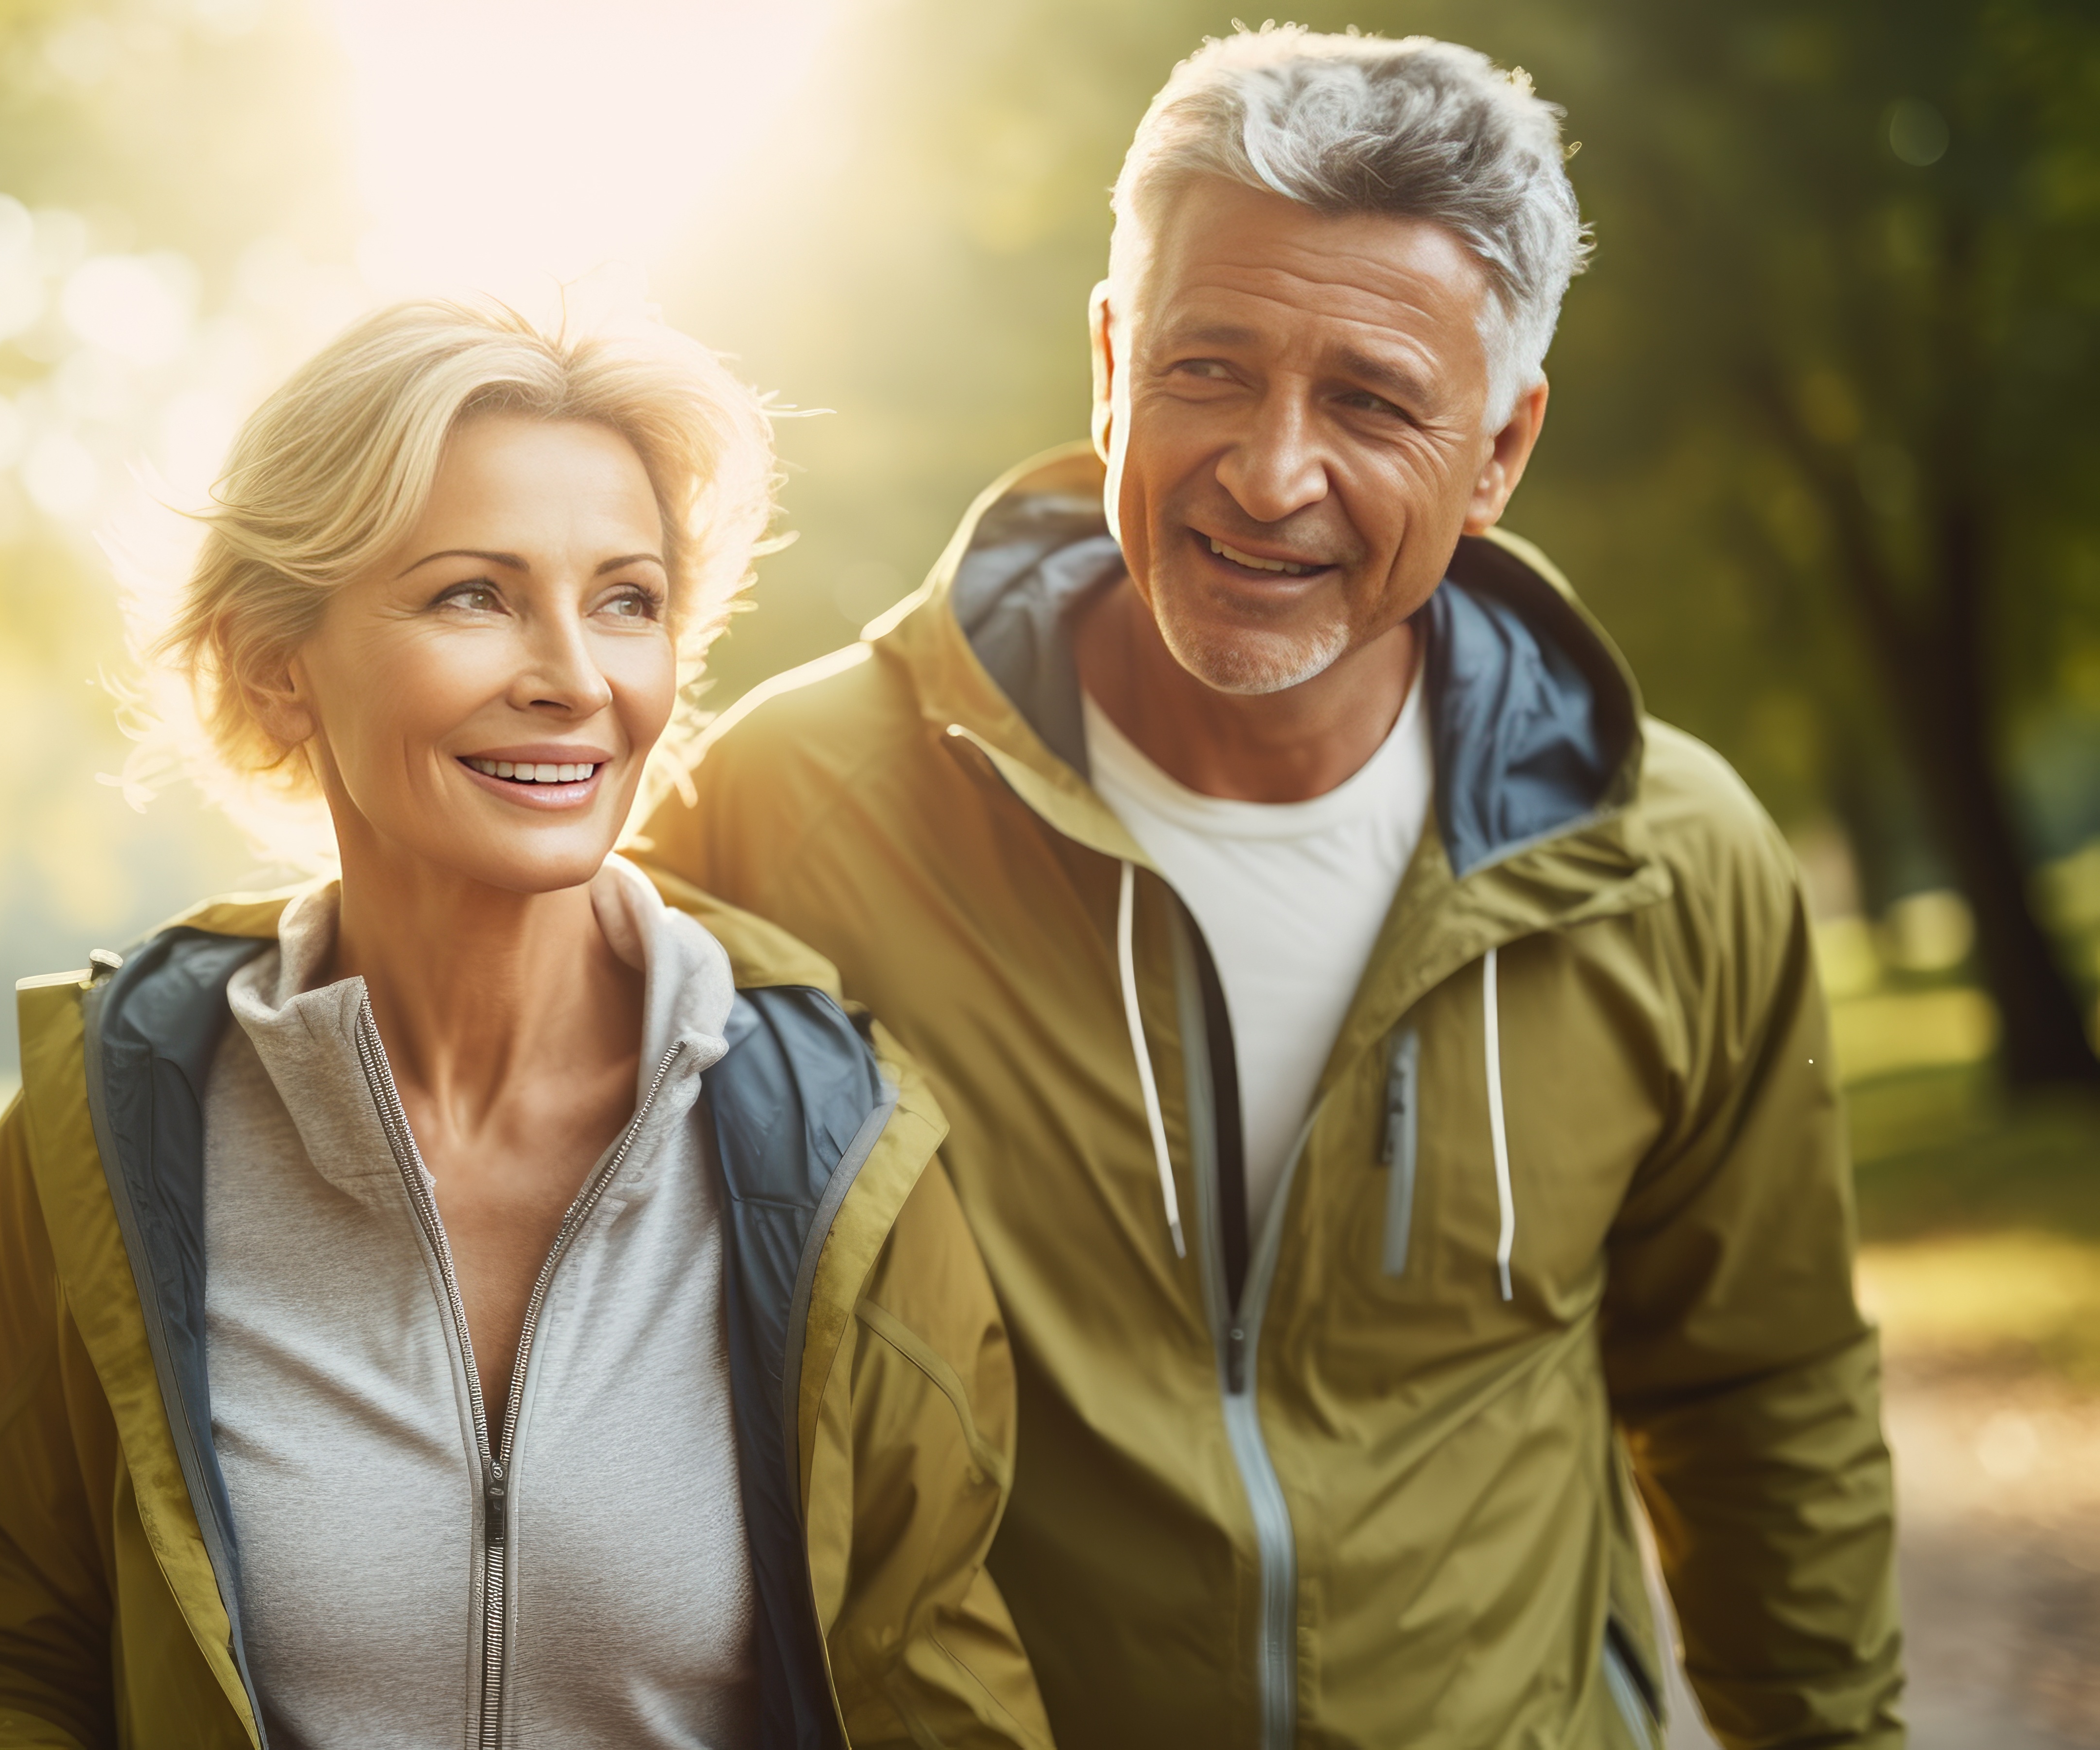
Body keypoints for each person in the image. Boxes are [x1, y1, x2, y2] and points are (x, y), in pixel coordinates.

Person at [639, 28, 1903, 1750]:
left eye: (1373, 402)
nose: (1270, 471)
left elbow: (1762, 1395)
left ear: (1501, 448)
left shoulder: (1668, 862)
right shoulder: (785, 807)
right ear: (1111, 362)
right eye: (1208, 369)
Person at [0, 300, 1053, 1750]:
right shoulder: (102, 1146)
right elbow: (1, 1662)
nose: (576, 677)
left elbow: (932, 1698)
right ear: (274, 665)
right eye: (472, 597)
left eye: (626, 600)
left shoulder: (844, 1147)